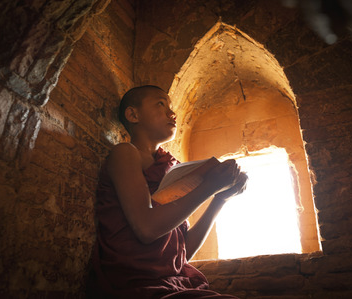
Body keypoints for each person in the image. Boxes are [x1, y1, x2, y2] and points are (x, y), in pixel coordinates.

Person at [89, 85, 248, 298]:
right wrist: (208, 187)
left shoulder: (171, 168)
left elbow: (182, 254)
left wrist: (220, 198)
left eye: (171, 107)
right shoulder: (125, 154)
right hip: (136, 286)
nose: (172, 113)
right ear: (133, 114)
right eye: (161, 104)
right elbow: (147, 229)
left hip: (174, 283)